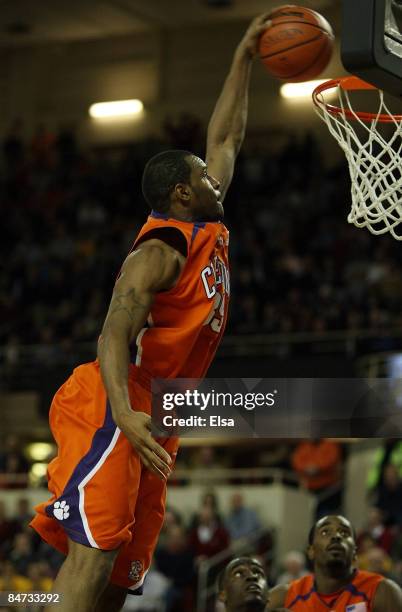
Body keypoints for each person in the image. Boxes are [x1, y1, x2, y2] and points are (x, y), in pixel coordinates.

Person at [29, 13, 271, 612]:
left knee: (122, 574)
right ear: (181, 194)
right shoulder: (160, 251)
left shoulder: (207, 221)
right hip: (121, 401)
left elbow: (228, 138)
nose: (216, 180)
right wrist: (126, 414)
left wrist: (243, 56)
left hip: (160, 409)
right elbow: (112, 334)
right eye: (202, 178)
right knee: (93, 557)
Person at [267, 515, 402, 611]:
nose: (336, 536)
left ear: (355, 552)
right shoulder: (283, 596)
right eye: (325, 532)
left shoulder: (382, 591)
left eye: (344, 533)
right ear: (311, 551)